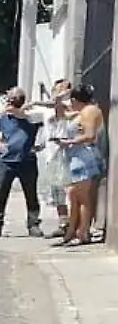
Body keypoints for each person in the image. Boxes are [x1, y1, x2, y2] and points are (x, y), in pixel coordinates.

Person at [0, 88, 42, 237]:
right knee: (0, 195)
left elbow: (36, 119)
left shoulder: (31, 116)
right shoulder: (2, 118)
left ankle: (33, 225)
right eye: (11, 99)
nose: (12, 101)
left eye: (15, 99)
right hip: (7, 161)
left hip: (27, 160)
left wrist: (20, 111)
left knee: (31, 195)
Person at [57, 84, 108, 247]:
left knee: (82, 197)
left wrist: (69, 142)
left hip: (85, 157)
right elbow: (62, 115)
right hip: (77, 157)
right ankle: (72, 232)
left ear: (74, 99)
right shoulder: (84, 111)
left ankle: (82, 232)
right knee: (74, 195)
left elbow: (90, 136)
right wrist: (58, 99)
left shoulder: (89, 111)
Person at [42, 79, 74, 237]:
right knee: (57, 191)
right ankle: (63, 222)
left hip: (66, 152)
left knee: (69, 189)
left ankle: (73, 224)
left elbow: (58, 104)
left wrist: (63, 94)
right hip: (52, 153)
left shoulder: (68, 105)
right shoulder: (49, 109)